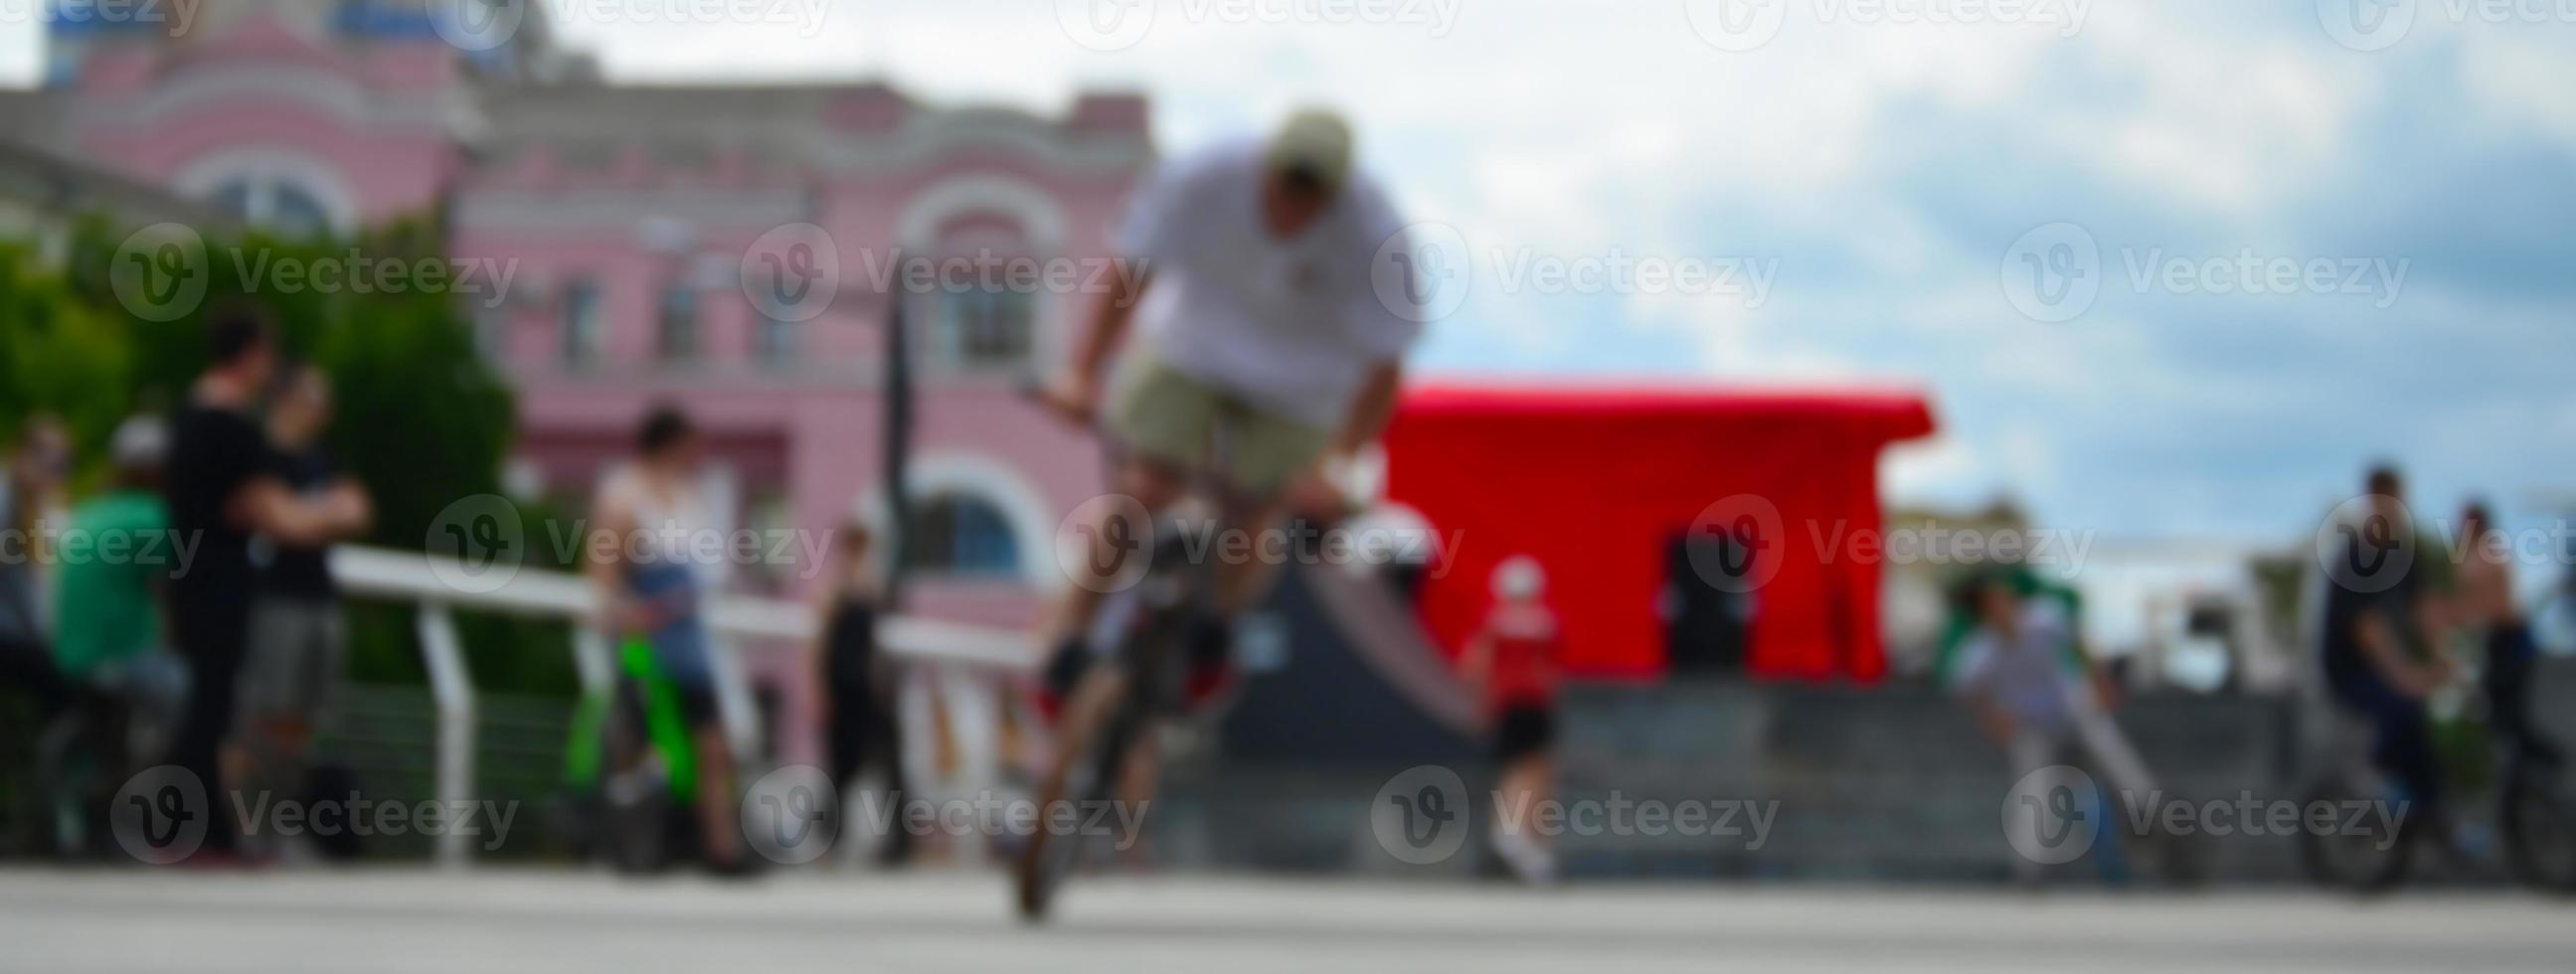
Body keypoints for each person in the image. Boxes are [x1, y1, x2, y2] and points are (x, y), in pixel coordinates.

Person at [1034, 107, 1420, 740]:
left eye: (1313, 193)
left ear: (1340, 192)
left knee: (1254, 512)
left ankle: (1218, 628)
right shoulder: (1204, 176)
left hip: (1302, 387)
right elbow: (1129, 273)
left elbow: (1385, 367)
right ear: (1262, 163)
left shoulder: (1377, 233)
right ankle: (1069, 636)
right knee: (1142, 489)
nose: (1294, 204)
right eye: (1285, 183)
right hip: (1191, 351)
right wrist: (1081, 372)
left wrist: (1339, 463)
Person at [162, 310, 370, 856]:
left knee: (210, 705)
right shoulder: (231, 425)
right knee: (219, 710)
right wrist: (321, 515)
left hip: (190, 575)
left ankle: (197, 829)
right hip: (222, 582)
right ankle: (204, 833)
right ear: (251, 353)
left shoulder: (190, 413)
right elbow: (277, 517)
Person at [587, 405, 746, 873]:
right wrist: (631, 616)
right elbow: (600, 577)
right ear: (670, 442)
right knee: (641, 745)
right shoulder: (623, 497)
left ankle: (717, 845)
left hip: (690, 635)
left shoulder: (688, 496)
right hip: (648, 635)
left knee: (711, 744)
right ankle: (633, 844)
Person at [229, 364, 369, 860]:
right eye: (315, 396)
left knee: (301, 719)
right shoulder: (263, 456)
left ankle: (281, 824)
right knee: (261, 714)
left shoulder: (320, 458)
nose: (324, 409)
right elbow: (279, 521)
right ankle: (245, 826)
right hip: (276, 600)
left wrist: (307, 516)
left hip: (319, 600)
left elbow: (357, 510)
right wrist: (318, 516)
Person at [1953, 568, 2171, 883]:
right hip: (2033, 728)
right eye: (1994, 602)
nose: (2004, 606)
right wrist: (1994, 721)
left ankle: (2155, 818)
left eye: (2005, 598)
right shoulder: (1980, 652)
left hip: (2074, 712)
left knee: (2113, 754)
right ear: (1983, 612)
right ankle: (2029, 870)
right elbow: (1970, 692)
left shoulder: (2042, 619)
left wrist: (2099, 680)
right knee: (2032, 790)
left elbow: (2079, 643)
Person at [42, 416, 189, 854]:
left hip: (68, 653)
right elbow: (168, 593)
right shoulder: (156, 515)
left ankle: (97, 786)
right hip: (117, 657)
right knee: (182, 688)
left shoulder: (89, 511)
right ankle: (148, 790)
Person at [2318, 466, 2453, 832]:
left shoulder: (2405, 551)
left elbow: (2421, 610)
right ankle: (2378, 782)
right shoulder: (2356, 554)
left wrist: (2443, 661)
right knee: (2401, 706)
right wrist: (2406, 675)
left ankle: (2428, 813)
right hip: (2347, 669)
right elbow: (2367, 629)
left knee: (2418, 728)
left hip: (2380, 667)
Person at [1460, 556, 1561, 885]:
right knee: (1535, 769)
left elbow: (1474, 665)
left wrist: (1481, 703)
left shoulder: (1495, 622)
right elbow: (1549, 673)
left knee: (1515, 767)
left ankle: (1510, 829)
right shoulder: (1544, 622)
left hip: (1507, 704)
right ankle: (1517, 832)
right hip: (1533, 704)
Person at [814, 524, 911, 865]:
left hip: (866, 688)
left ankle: (897, 842)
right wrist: (819, 690)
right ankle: (829, 839)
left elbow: (875, 644)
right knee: (840, 764)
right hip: (842, 685)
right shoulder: (835, 589)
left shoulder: (870, 589)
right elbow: (820, 644)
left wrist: (879, 679)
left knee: (888, 760)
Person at [2456, 502, 2557, 765]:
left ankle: (2551, 762)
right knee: (2500, 717)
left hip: (2511, 641)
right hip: (2497, 642)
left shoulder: (2488, 554)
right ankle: (2532, 771)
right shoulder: (2471, 556)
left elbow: (2498, 606)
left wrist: (2467, 613)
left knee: (2510, 716)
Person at [0, 416, 71, 714]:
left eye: (63, 465)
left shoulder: (33, 506)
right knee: (65, 685)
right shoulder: (6, 501)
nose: (55, 473)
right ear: (22, 454)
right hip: (9, 637)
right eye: (49, 462)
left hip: (18, 634)